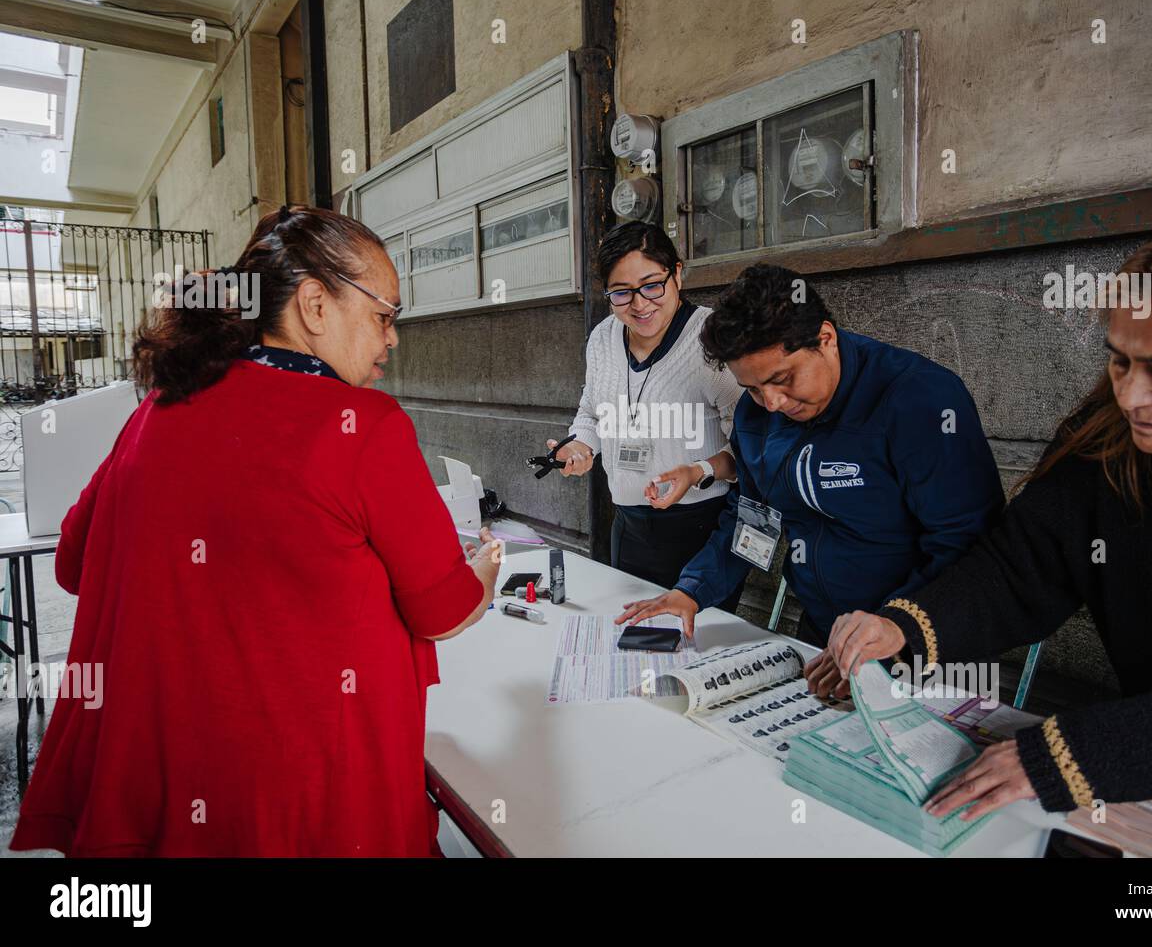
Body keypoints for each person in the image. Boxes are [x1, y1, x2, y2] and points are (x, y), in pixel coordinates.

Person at [10, 205, 500, 856]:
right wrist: (484, 575)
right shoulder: (364, 425)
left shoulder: (158, 409)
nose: (393, 338)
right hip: (310, 799)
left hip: (167, 792)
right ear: (315, 306)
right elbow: (442, 610)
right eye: (385, 315)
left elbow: (75, 562)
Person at [825, 219, 1152, 818]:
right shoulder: (1108, 445)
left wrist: (1070, 754)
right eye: (1121, 362)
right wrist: (907, 629)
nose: (1130, 396)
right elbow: (1019, 568)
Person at [618, 263, 1005, 671]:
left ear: (825, 339)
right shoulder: (756, 416)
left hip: (920, 643)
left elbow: (966, 543)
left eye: (783, 378)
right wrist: (693, 589)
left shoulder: (920, 401)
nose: (772, 403)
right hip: (824, 635)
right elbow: (753, 517)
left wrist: (898, 629)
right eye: (752, 387)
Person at [545, 221, 746, 608]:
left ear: (678, 275)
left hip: (702, 532)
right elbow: (592, 411)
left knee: (693, 644)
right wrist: (579, 447)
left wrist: (697, 472)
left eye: (652, 285)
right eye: (622, 292)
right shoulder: (603, 338)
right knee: (631, 638)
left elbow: (750, 448)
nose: (639, 304)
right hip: (629, 526)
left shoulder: (712, 338)